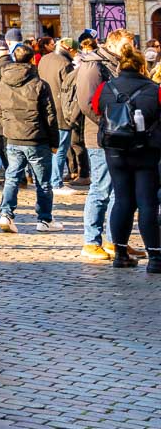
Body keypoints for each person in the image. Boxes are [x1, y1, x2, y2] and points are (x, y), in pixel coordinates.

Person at [91, 30, 161, 270]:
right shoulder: (155, 89)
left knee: (122, 200)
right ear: (142, 66)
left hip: (115, 151)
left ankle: (120, 254)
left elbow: (96, 109)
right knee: (147, 203)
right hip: (146, 151)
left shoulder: (105, 88)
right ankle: (155, 257)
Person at [0, 41, 59, 234]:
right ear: (32, 60)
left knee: (12, 177)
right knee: (43, 182)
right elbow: (50, 115)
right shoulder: (39, 84)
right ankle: (44, 219)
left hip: (13, 136)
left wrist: (3, 133)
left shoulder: (2, 82)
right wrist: (54, 142)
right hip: (35, 138)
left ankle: (6, 214)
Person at [74, 33, 123, 262]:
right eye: (126, 45)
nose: (129, 49)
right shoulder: (93, 65)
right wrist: (108, 124)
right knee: (101, 189)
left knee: (116, 191)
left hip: (116, 134)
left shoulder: (114, 63)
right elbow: (86, 102)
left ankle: (114, 240)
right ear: (113, 44)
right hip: (100, 135)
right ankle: (91, 241)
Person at [37, 35, 77, 199]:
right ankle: (56, 181)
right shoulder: (65, 64)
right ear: (68, 49)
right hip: (61, 109)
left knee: (51, 148)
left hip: (46, 107)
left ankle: (51, 179)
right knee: (61, 148)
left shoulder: (45, 59)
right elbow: (68, 89)